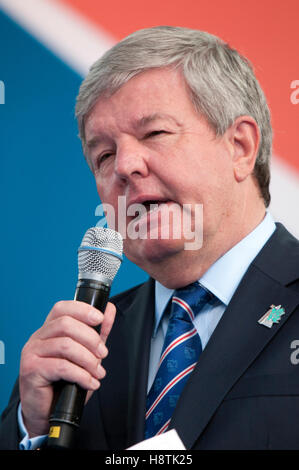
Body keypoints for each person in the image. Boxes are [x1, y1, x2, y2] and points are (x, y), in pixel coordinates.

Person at [1, 26, 299, 450]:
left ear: (240, 146)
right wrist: (32, 428)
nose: (125, 166)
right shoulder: (81, 346)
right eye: (103, 155)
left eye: (154, 134)